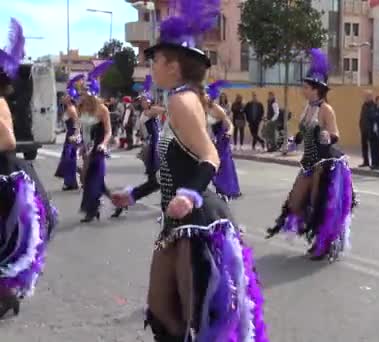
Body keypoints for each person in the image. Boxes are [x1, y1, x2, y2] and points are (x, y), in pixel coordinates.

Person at [111, 1, 267, 339]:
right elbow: (172, 167)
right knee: (164, 310)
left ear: (174, 65)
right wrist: (135, 193)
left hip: (196, 222)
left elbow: (210, 155)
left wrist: (188, 193)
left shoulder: (181, 101)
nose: (151, 66)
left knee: (193, 315)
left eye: (155, 60)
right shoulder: (179, 99)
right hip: (177, 222)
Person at [266, 48, 355, 262]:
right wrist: (293, 142)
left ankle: (324, 243)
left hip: (324, 163)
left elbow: (335, 134)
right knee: (296, 201)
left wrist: (327, 136)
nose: (302, 90)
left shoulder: (326, 110)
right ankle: (315, 236)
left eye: (305, 87)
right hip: (308, 162)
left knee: (319, 203)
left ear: (316, 90)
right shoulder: (307, 108)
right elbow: (303, 131)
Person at [0, 18, 56, 319]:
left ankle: (7, 295)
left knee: (8, 236)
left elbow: (7, 140)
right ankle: (7, 294)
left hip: (4, 172)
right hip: (8, 171)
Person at [111, 75, 164, 218]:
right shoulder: (148, 113)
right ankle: (126, 199)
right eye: (141, 101)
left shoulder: (149, 112)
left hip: (158, 147)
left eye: (143, 100)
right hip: (154, 150)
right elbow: (162, 110)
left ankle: (127, 199)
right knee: (156, 182)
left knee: (157, 182)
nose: (142, 103)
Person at [78, 61, 113, 223]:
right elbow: (81, 128)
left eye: (86, 91)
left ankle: (91, 210)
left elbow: (108, 131)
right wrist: (78, 142)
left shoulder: (102, 109)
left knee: (93, 180)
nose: (83, 94)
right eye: (82, 91)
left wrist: (104, 144)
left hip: (98, 149)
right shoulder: (81, 107)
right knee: (89, 180)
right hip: (86, 149)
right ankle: (118, 202)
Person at [204, 80, 241, 200]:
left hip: (220, 140)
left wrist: (229, 132)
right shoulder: (201, 108)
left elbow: (230, 125)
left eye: (207, 94)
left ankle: (223, 191)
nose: (204, 96)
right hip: (208, 140)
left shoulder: (217, 110)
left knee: (221, 167)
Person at [54, 76, 82, 190]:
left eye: (66, 95)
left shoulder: (71, 109)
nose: (63, 97)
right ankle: (71, 181)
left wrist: (76, 135)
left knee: (69, 159)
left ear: (70, 98)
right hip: (68, 135)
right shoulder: (67, 108)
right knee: (68, 159)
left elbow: (77, 122)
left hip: (72, 136)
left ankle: (71, 182)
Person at [358, 90, 375, 167]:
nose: (366, 98)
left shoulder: (374, 106)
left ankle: (374, 163)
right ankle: (366, 161)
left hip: (371, 130)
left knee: (373, 147)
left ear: (371, 97)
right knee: (364, 146)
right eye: (365, 96)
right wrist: (361, 125)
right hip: (364, 129)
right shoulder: (364, 105)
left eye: (368, 96)